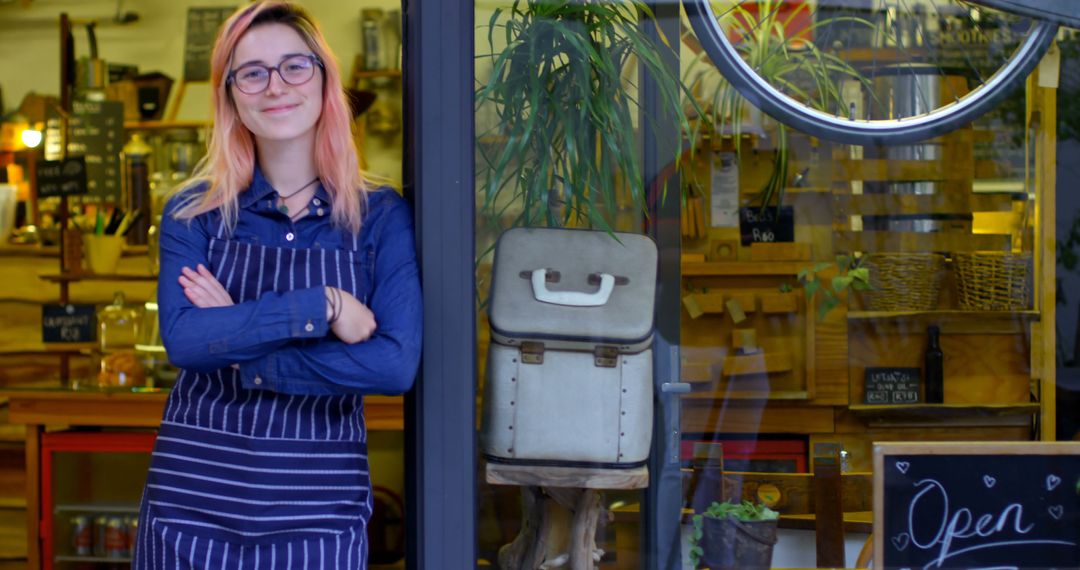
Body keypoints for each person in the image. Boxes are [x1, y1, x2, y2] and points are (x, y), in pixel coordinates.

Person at [133, 2, 421, 568]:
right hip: (193, 505)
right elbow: (187, 343)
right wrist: (324, 306)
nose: (276, 87)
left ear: (323, 79)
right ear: (231, 95)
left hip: (318, 512)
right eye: (253, 73)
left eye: (295, 66)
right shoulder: (194, 213)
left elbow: (393, 366)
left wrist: (244, 355)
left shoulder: (379, 216)